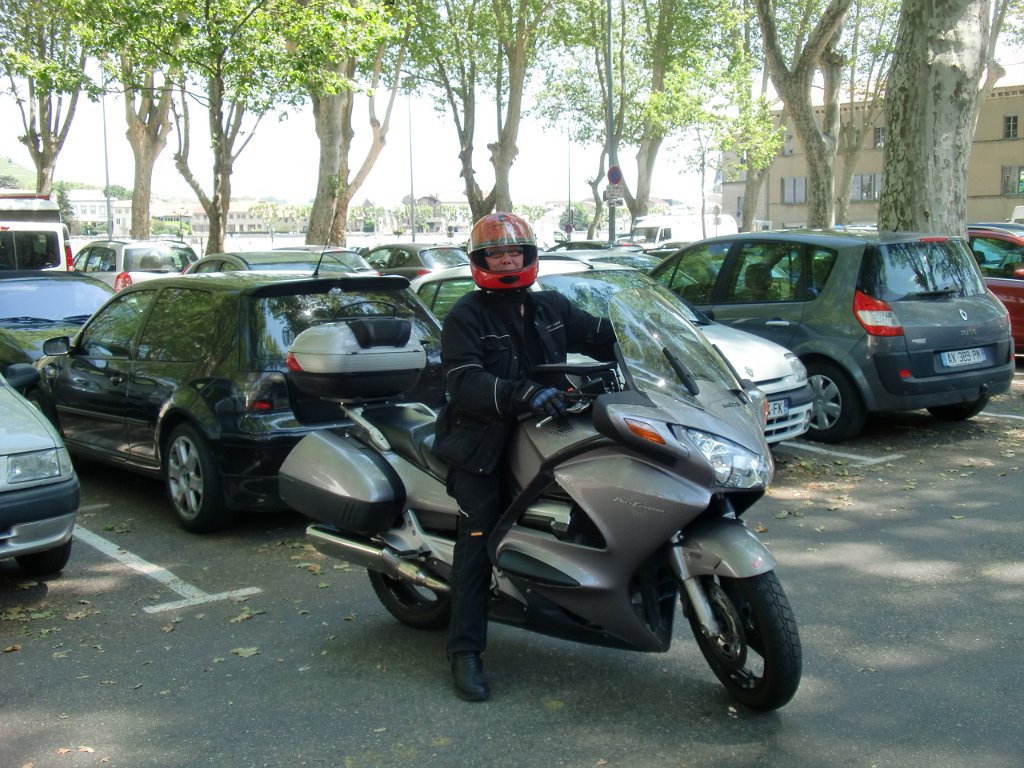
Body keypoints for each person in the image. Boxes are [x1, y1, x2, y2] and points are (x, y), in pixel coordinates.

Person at [431, 212, 616, 702]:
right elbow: (463, 381)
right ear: (481, 261)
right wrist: (523, 393)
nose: (507, 260)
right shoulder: (466, 315)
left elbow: (603, 334)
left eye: (515, 251)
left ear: (530, 256)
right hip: (483, 440)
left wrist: (645, 338)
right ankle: (465, 651)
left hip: (548, 430)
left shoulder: (551, 306)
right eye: (496, 254)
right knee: (478, 535)